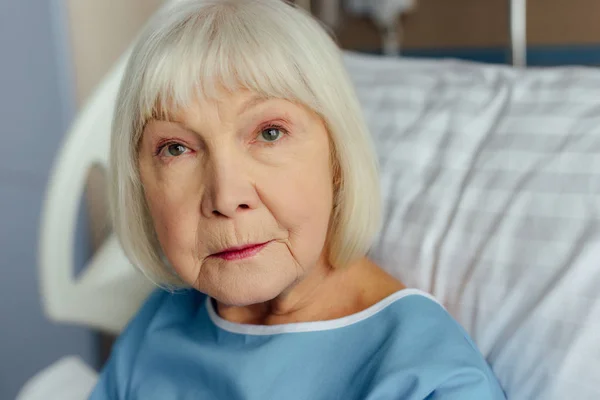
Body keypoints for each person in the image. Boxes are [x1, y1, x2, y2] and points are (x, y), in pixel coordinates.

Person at [90, 0, 506, 398]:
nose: (227, 196)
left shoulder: (429, 381)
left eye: (269, 133)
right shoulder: (159, 326)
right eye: (176, 149)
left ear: (338, 161)